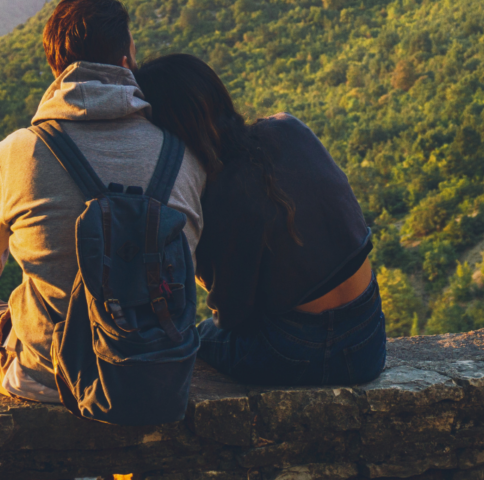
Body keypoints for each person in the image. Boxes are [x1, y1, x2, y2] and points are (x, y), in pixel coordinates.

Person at [0, 0, 205, 402]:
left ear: (56, 67)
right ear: (127, 60)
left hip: (50, 373)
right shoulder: (183, 154)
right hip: (157, 369)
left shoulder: (19, 152)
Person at [133, 54, 385, 386]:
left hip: (297, 351)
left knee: (196, 338)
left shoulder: (220, 194)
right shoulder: (288, 128)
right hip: (370, 338)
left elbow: (233, 317)